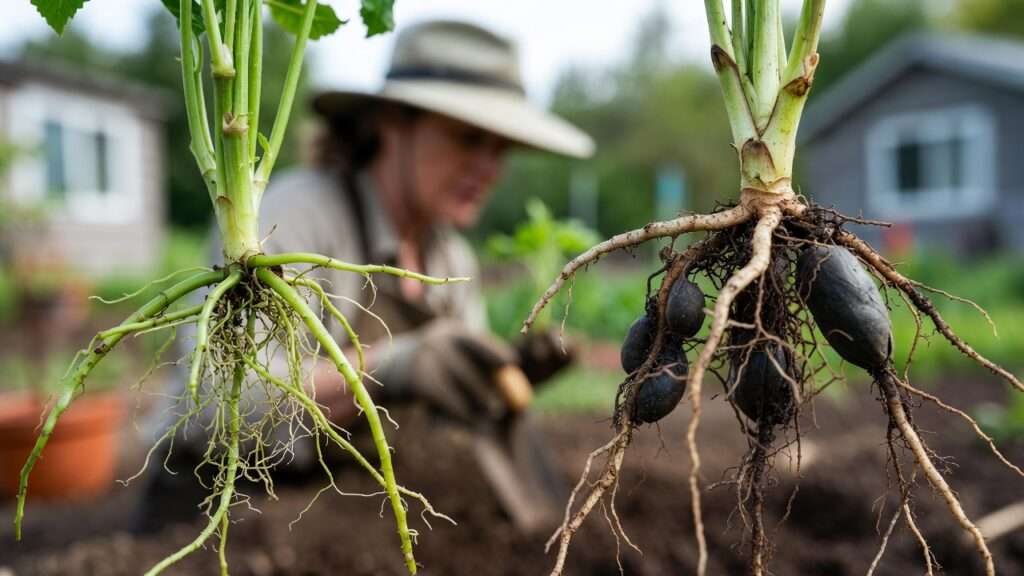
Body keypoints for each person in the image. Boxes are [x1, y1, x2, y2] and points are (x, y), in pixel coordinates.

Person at [138, 19, 594, 535]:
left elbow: (442, 427)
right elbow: (218, 401)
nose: (489, 167)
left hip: (335, 518)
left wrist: (495, 378)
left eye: (502, 149)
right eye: (469, 139)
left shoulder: (452, 262)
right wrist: (385, 368)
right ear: (392, 122)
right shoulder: (291, 216)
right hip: (215, 521)